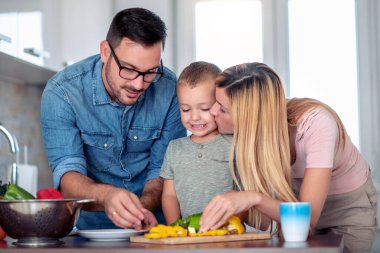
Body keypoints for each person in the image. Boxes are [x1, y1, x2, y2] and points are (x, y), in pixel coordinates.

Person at [199, 62, 377, 253]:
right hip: (297, 206)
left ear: (249, 116)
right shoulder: (251, 135)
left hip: (347, 209)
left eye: (223, 109)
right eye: (216, 102)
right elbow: (272, 220)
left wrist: (254, 199)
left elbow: (305, 221)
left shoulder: (317, 124)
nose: (213, 112)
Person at [40, 8, 186, 230]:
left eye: (150, 72)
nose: (139, 85)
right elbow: (68, 177)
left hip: (153, 228)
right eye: (129, 69)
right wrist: (107, 196)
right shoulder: (62, 92)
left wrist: (140, 210)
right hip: (91, 233)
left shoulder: (169, 89)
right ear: (106, 51)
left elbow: (163, 169)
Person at [160, 61, 233, 224]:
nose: (194, 117)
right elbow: (169, 195)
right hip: (187, 236)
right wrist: (175, 228)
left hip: (227, 234)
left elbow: (244, 194)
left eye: (205, 108)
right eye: (185, 109)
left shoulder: (233, 145)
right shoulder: (174, 148)